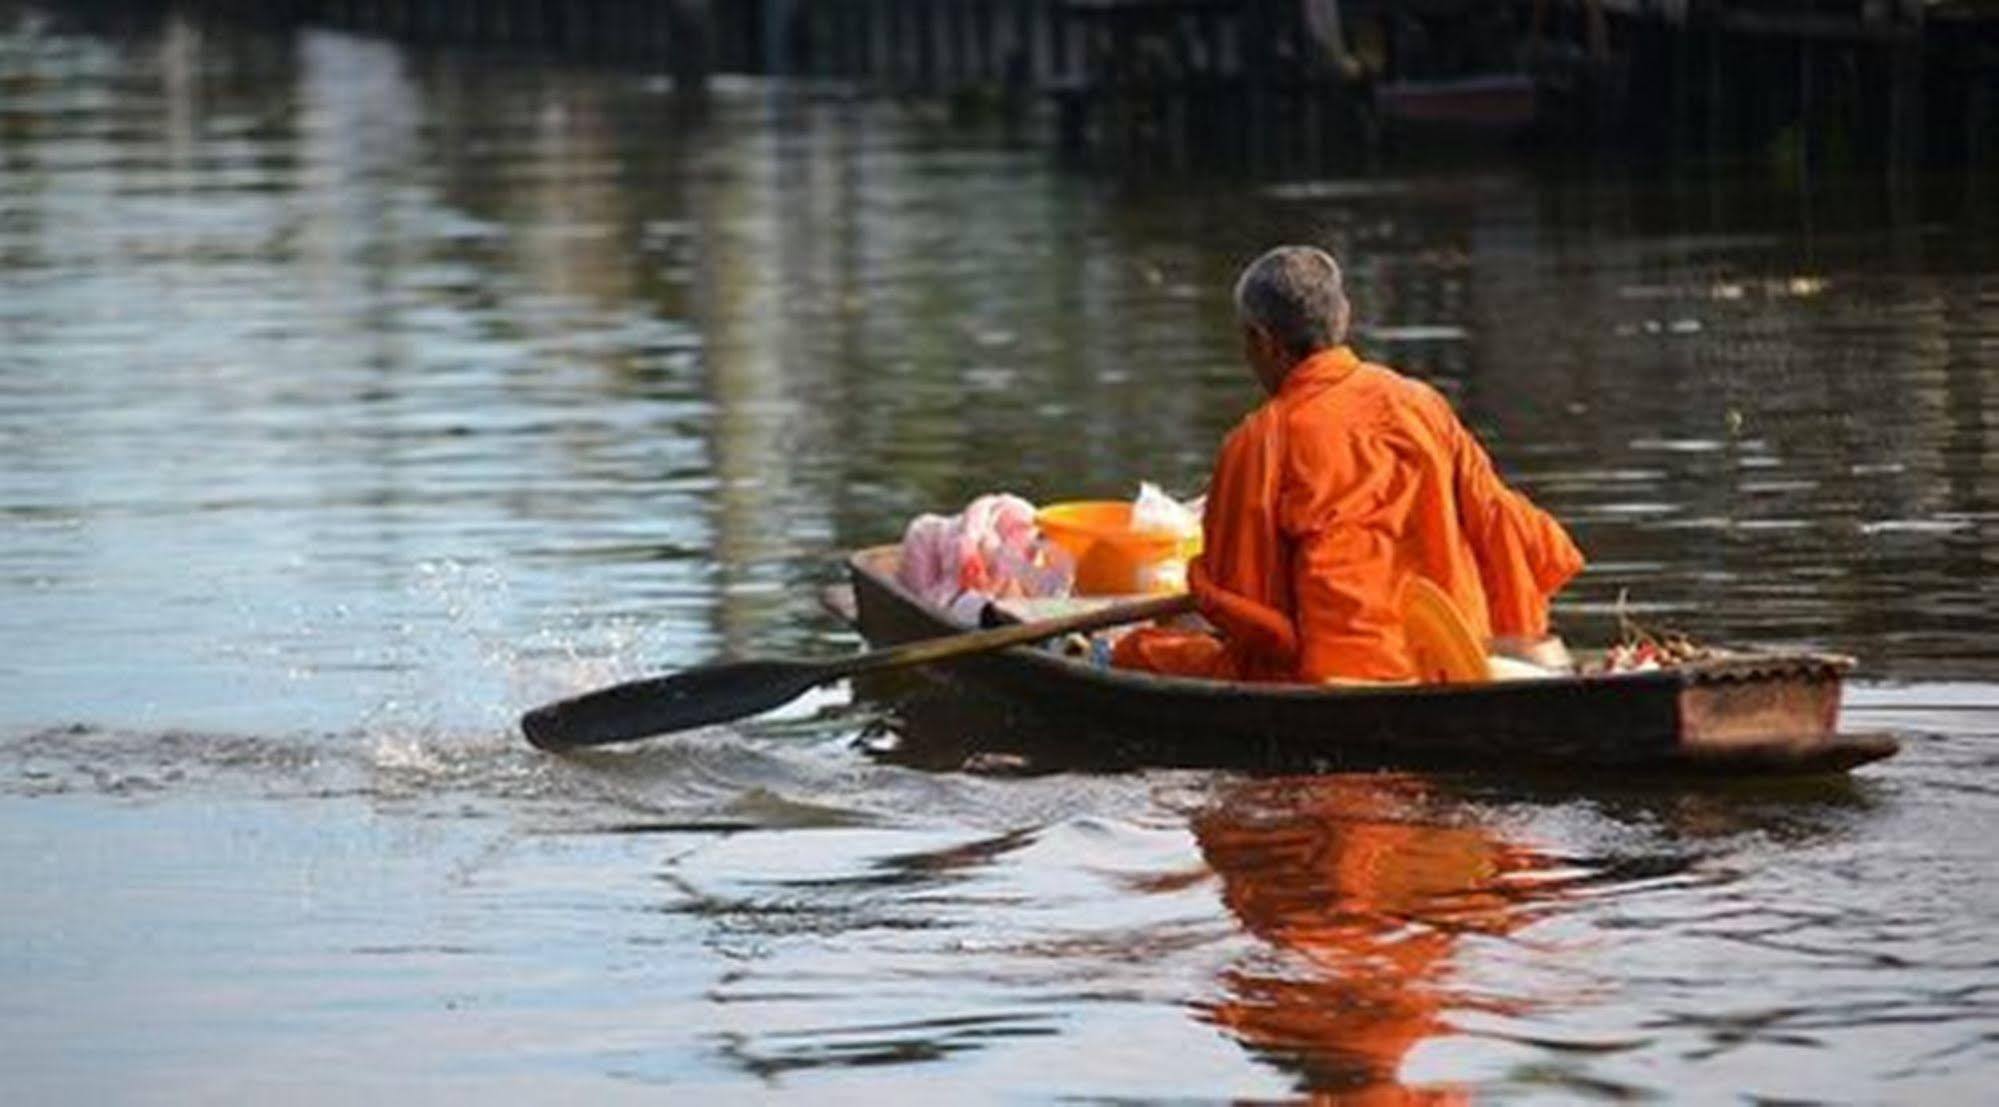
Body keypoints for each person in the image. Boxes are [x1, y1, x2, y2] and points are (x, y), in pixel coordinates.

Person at [1114, 245, 1582, 683]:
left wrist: (1197, 586)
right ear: (1344, 318)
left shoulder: (1261, 439)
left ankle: (1104, 655)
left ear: (1263, 341)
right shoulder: (1421, 404)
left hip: (1336, 674)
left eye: (1246, 341)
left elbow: (1246, 610)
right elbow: (1506, 527)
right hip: (1452, 660)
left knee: (1136, 651)